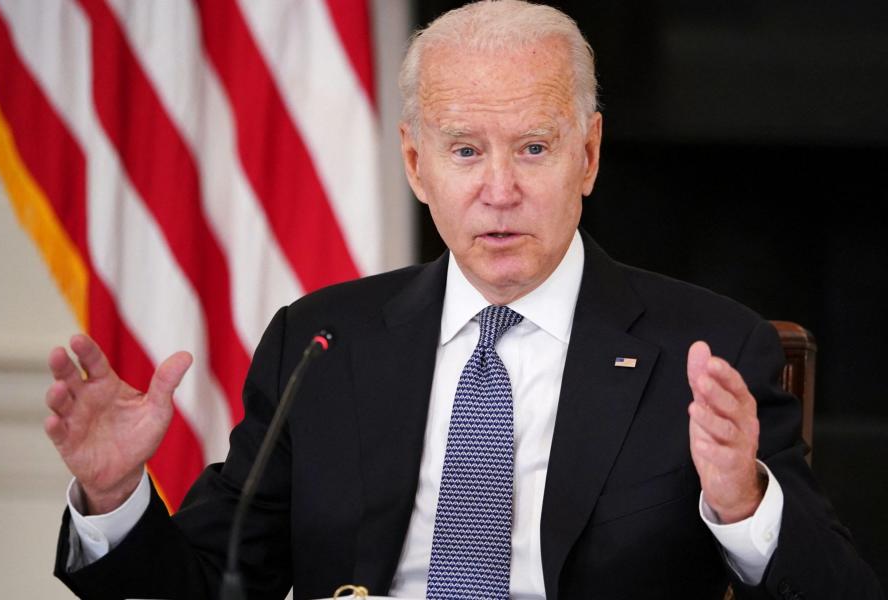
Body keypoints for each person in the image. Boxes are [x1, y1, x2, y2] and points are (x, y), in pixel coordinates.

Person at [45, 1, 882, 599]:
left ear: (587, 157)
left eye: (534, 147)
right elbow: (209, 583)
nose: (500, 190)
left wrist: (743, 505)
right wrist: (116, 499)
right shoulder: (323, 343)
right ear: (415, 165)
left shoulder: (706, 349)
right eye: (464, 150)